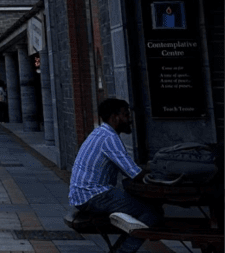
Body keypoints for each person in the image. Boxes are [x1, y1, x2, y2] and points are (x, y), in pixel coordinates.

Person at [69, 98, 161, 252]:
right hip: (93, 196)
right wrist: (162, 173)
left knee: (144, 208)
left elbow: (129, 169)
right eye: (125, 115)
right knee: (151, 211)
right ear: (114, 117)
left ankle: (125, 243)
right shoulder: (110, 138)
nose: (129, 120)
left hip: (82, 195)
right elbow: (135, 173)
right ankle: (124, 250)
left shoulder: (100, 132)